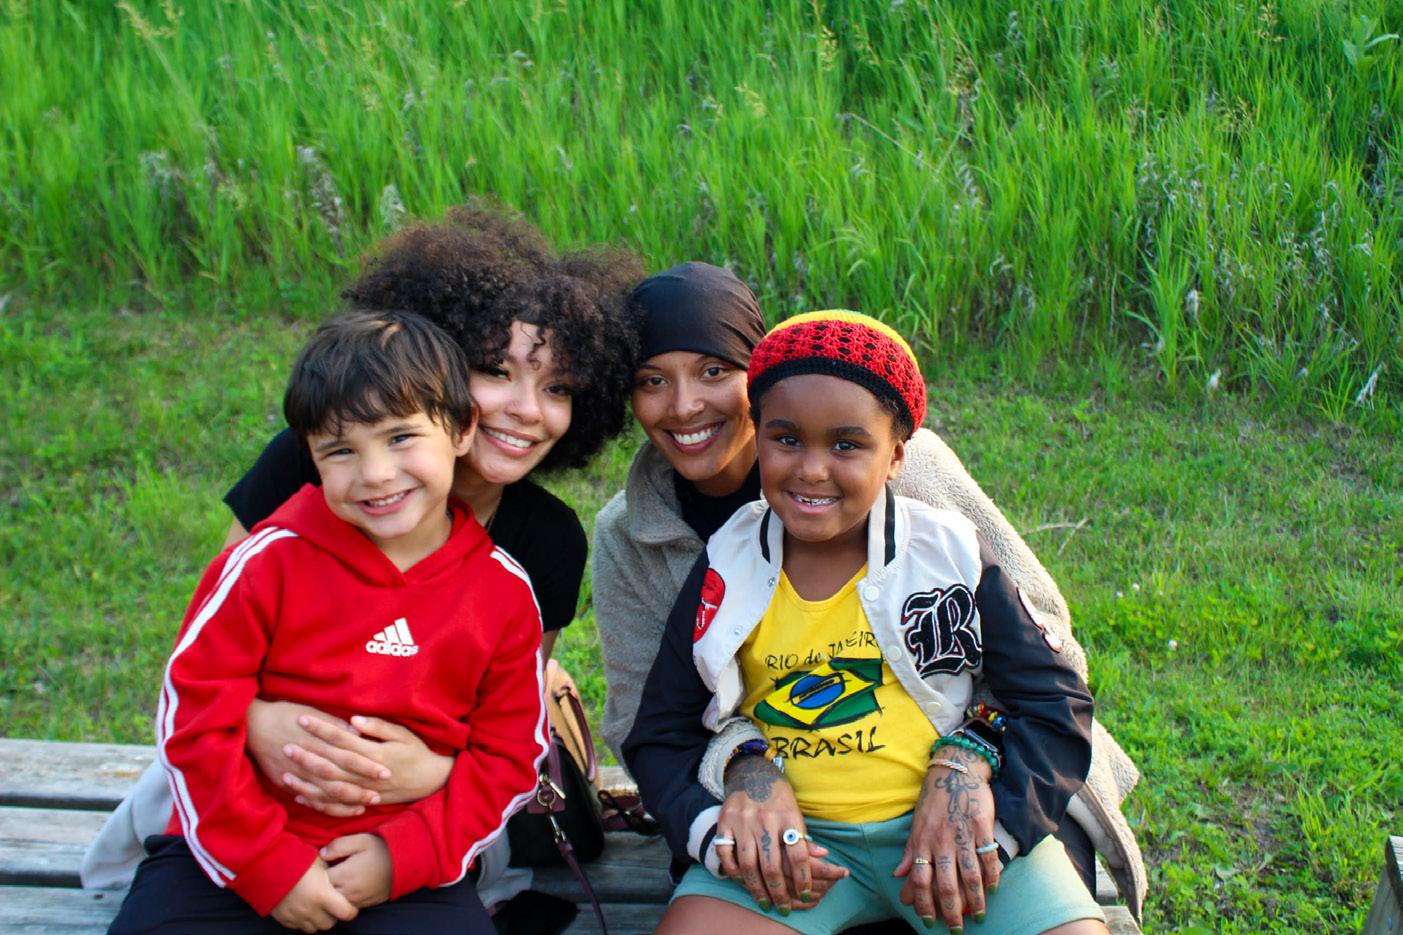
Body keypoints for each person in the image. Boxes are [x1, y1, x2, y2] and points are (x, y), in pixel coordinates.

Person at [82, 205, 644, 912]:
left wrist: (428, 772)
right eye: (497, 370)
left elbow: (502, 730)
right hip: (249, 781)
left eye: (557, 387)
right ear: (441, 367)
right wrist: (261, 725)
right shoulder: (319, 468)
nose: (528, 409)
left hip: (418, 816)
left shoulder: (547, 541)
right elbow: (208, 650)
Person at [590, 267, 1145, 922]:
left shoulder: (936, 525)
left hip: (982, 786)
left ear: (894, 455)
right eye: (651, 380)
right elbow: (652, 721)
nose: (684, 405)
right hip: (799, 832)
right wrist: (741, 770)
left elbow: (1047, 672)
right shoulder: (699, 552)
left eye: (713, 371)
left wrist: (972, 754)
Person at [107, 311, 548, 933]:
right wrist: (268, 866)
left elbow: (509, 757)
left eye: (401, 437)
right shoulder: (266, 563)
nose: (376, 473)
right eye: (341, 450)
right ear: (310, 457)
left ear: (461, 428)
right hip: (230, 853)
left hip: (402, 862)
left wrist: (400, 858)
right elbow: (193, 717)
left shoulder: (502, 592)